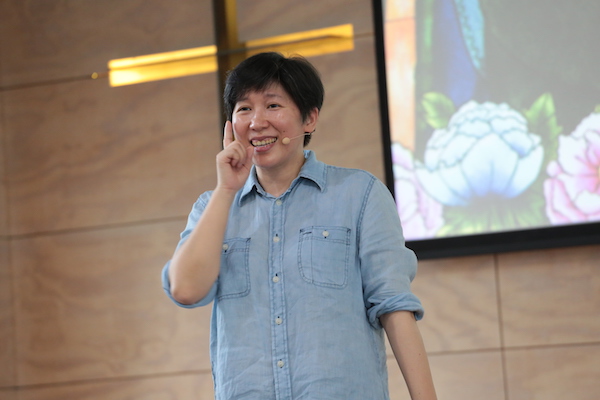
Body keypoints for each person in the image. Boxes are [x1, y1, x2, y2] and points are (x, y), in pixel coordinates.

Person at [162, 52, 437, 400]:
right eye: (244, 108)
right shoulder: (212, 206)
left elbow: (394, 306)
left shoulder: (359, 194)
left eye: (273, 105)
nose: (257, 122)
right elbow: (185, 290)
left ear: (309, 118)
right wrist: (226, 189)